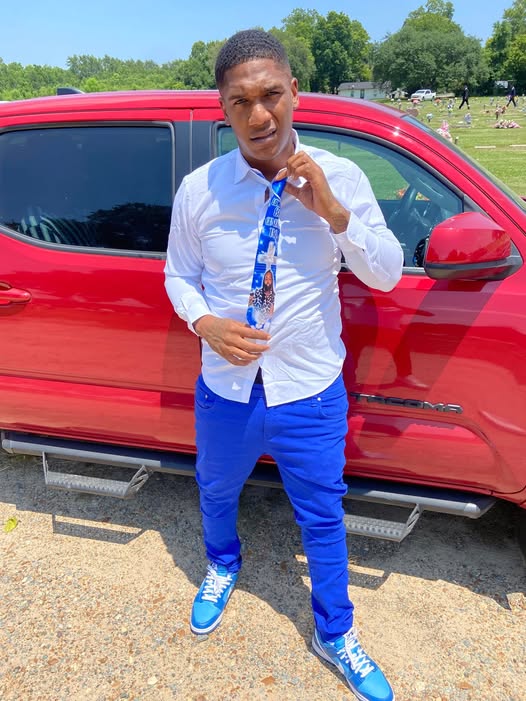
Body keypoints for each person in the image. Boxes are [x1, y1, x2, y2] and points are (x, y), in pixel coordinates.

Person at [164, 29, 403, 701]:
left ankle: (336, 632)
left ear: (295, 92)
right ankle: (222, 564)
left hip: (310, 390)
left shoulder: (341, 177)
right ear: (223, 108)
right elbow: (179, 274)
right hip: (226, 388)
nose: (259, 115)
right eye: (240, 102)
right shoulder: (200, 190)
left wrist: (334, 212)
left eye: (270, 94)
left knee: (322, 516)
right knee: (215, 490)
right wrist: (204, 322)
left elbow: (386, 274)